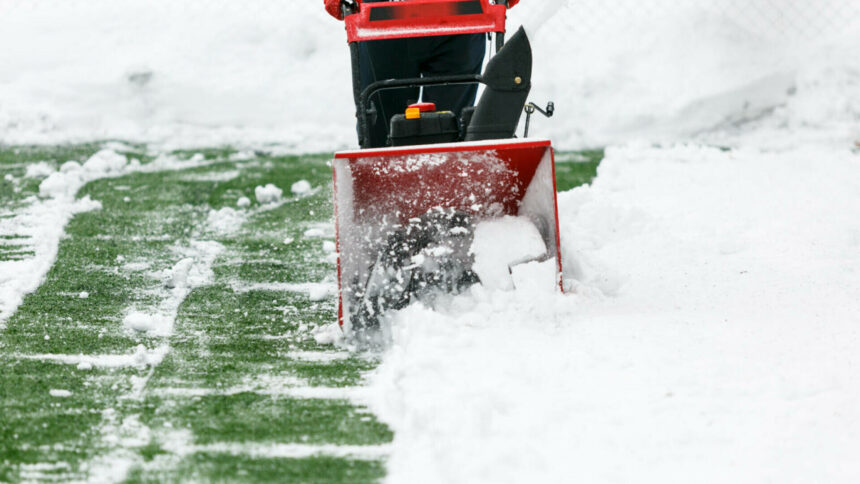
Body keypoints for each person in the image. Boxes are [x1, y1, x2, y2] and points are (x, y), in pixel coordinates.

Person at [324, 0, 519, 148]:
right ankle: (377, 191)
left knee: (450, 129)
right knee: (378, 133)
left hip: (460, 16)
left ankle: (450, 192)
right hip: (382, 17)